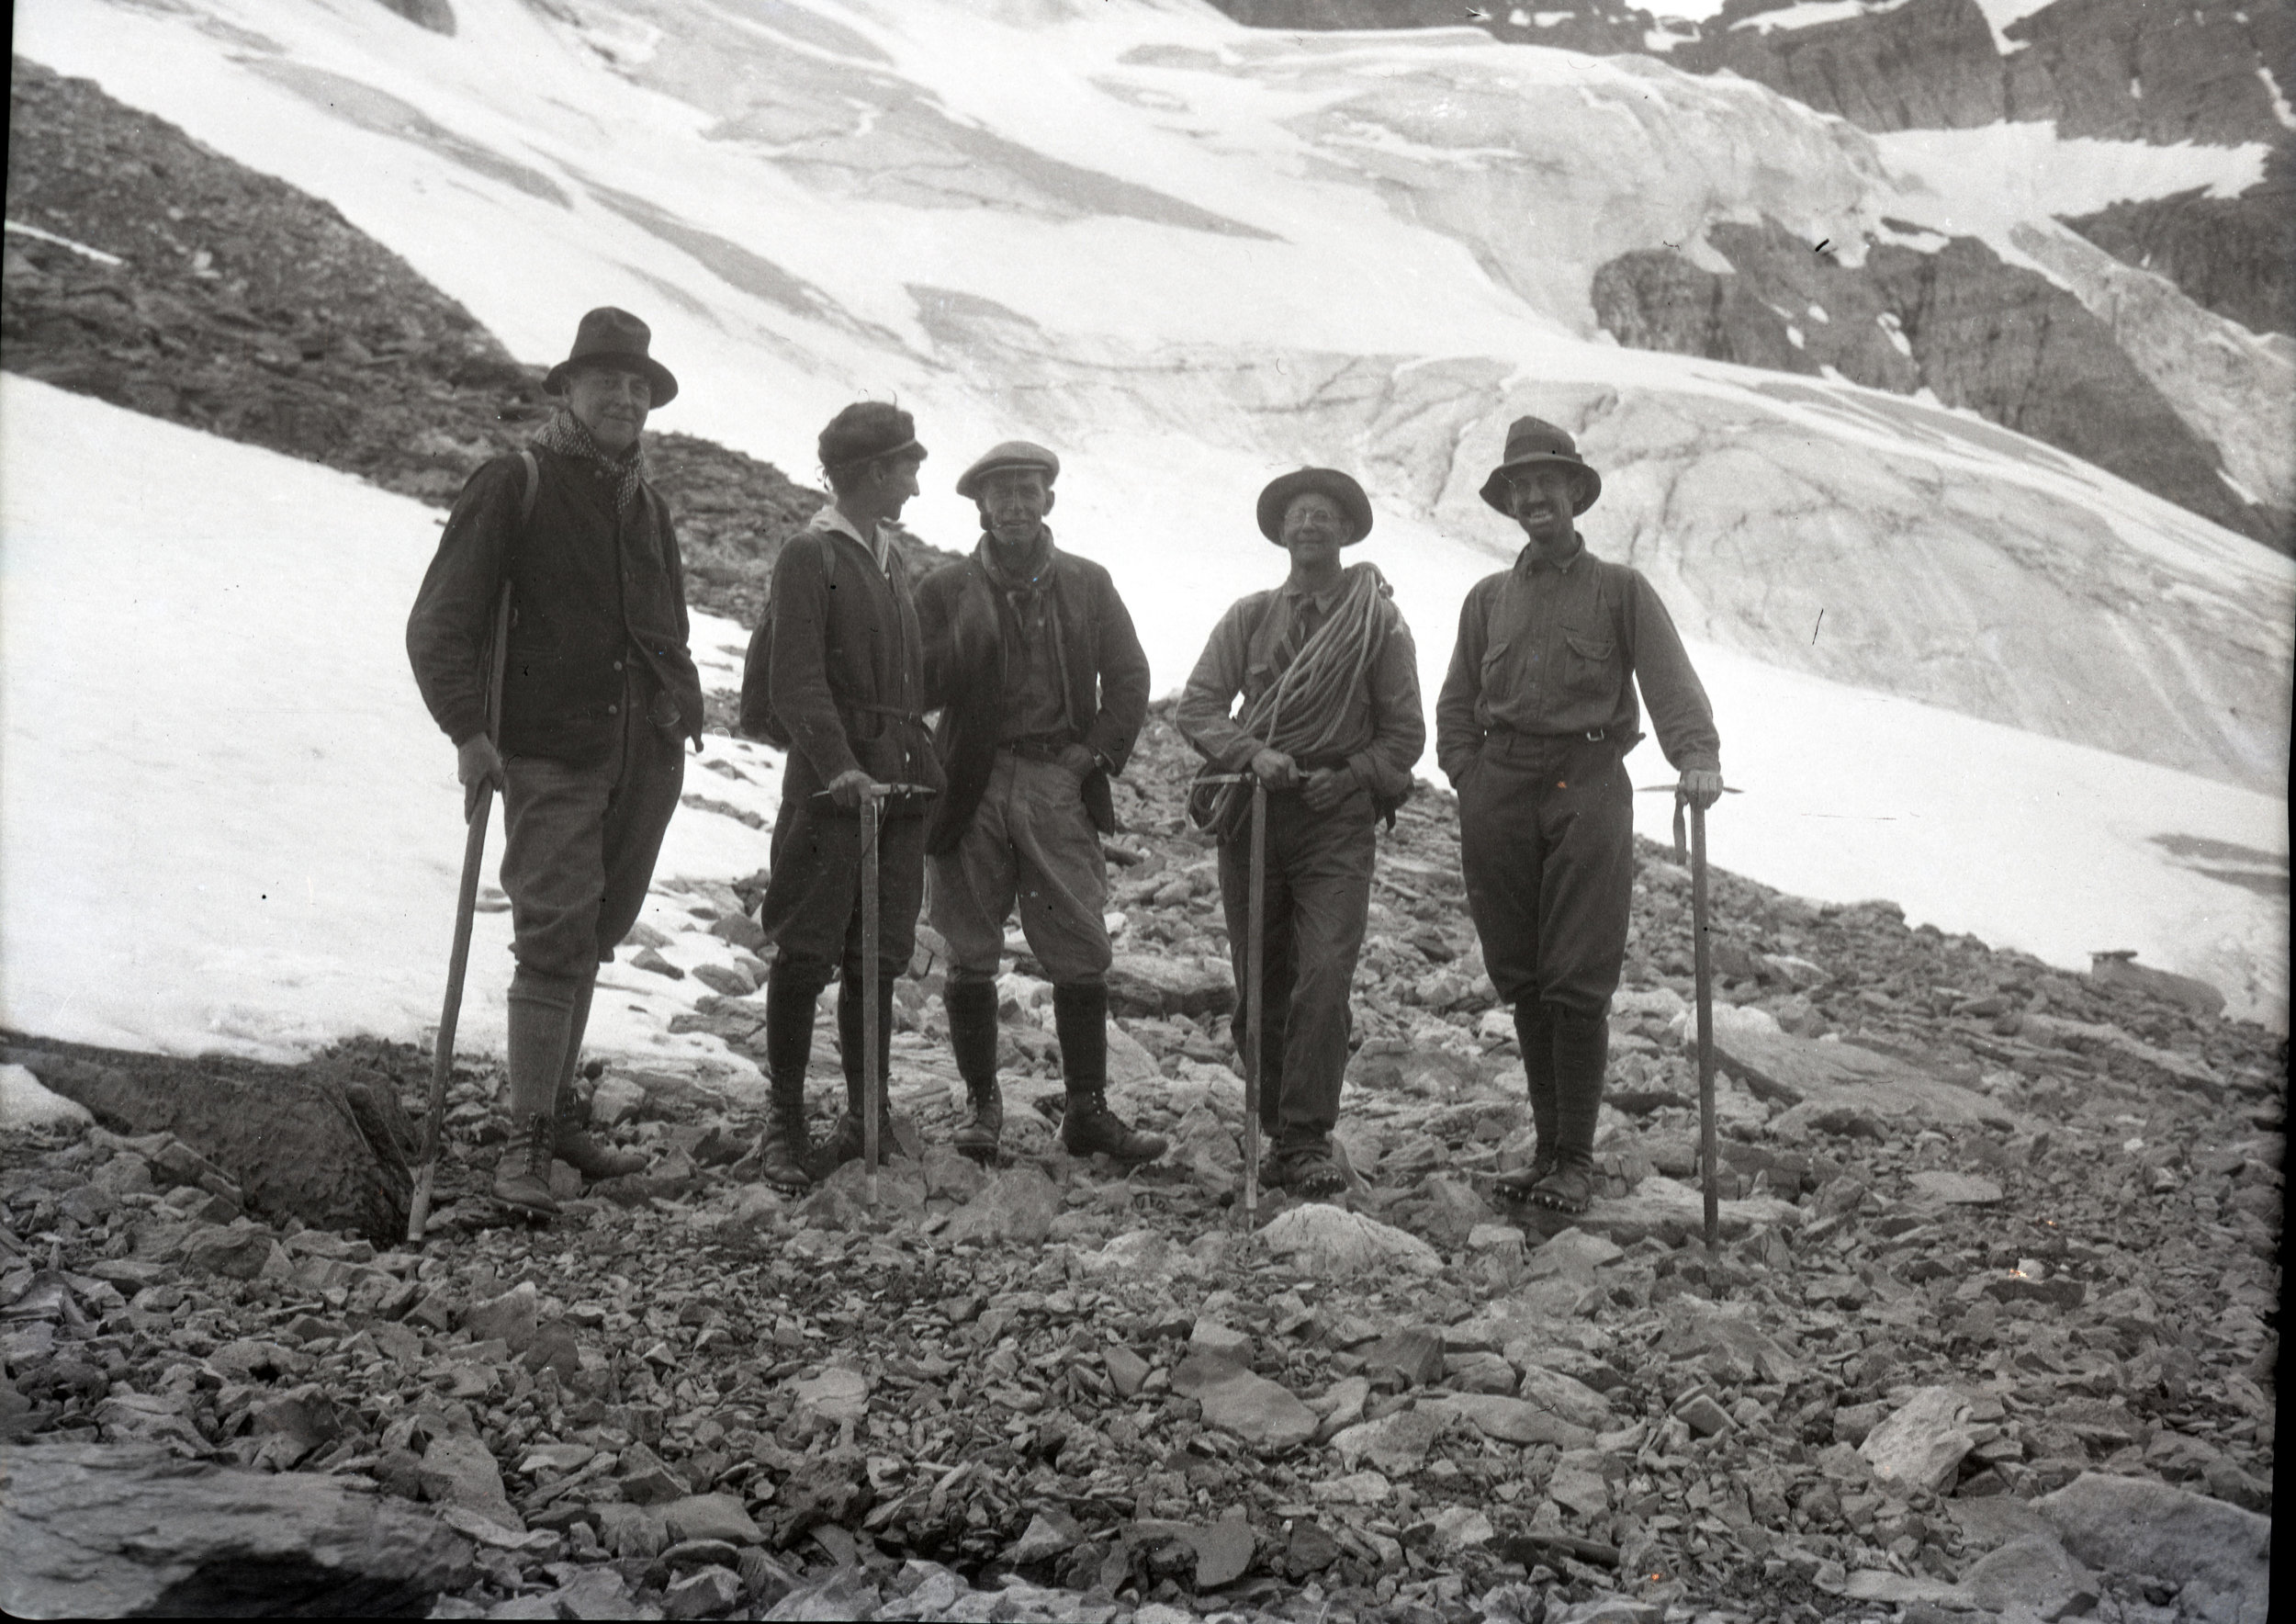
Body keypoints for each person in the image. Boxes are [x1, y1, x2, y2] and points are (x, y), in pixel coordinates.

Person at [408, 306, 701, 1216]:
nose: (625, 397)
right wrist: (468, 732)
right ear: (566, 388)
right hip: (549, 750)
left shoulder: (644, 502)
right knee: (554, 932)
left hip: (639, 755)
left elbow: (668, 625)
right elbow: (440, 623)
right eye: (606, 380)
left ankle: (557, 1113)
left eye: (638, 386)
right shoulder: (517, 480)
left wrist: (680, 712)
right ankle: (524, 1144)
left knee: (595, 932)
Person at [1435, 416, 1724, 1215]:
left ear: (1574, 494)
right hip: (1501, 788)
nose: (1534, 498)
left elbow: (1669, 681)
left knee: (1576, 974)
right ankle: (1545, 1149)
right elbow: (1457, 703)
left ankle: (1576, 1158)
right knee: (1523, 972)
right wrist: (1470, 778)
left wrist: (1695, 755)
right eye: (1519, 488)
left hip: (1588, 781)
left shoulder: (1620, 590)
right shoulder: (1486, 599)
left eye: (1547, 484)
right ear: (1509, 503)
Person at [1176, 469, 1424, 1199]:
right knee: (1260, 983)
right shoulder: (1250, 618)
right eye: (1298, 514)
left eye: (1325, 515)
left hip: (1335, 823)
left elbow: (1404, 736)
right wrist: (1252, 754)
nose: (1310, 524)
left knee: (1323, 976)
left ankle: (1307, 1134)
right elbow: (1198, 707)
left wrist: (1348, 776)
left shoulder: (1379, 625)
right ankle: (1277, 1125)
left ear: (1347, 533)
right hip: (1254, 814)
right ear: (1281, 532)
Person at [914, 442, 1163, 1164]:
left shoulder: (1088, 583)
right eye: (1003, 493)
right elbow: (915, 686)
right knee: (968, 945)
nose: (1017, 505)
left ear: (1049, 501)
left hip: (1058, 780)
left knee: (1080, 945)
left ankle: (1087, 1109)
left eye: (1029, 491)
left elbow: (1129, 676)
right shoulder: (944, 589)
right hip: (973, 781)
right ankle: (981, 1107)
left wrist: (1094, 754)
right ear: (981, 507)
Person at [742, 403, 945, 1193]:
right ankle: (783, 1121)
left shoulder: (890, 558)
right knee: (805, 950)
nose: (916, 486)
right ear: (870, 474)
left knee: (877, 957)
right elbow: (796, 680)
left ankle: (868, 1114)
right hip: (835, 789)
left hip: (895, 785)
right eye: (907, 469)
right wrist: (836, 766)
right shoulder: (811, 552)